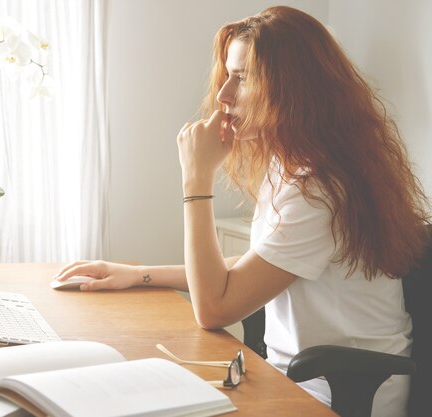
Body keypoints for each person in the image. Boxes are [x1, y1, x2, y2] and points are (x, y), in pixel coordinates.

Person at [54, 6, 430, 417]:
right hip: (296, 380)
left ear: (289, 89)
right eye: (228, 75)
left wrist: (196, 180)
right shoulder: (291, 167)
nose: (223, 95)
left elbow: (215, 308)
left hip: (336, 396)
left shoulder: (318, 190)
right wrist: (138, 275)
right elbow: (255, 269)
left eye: (242, 78)